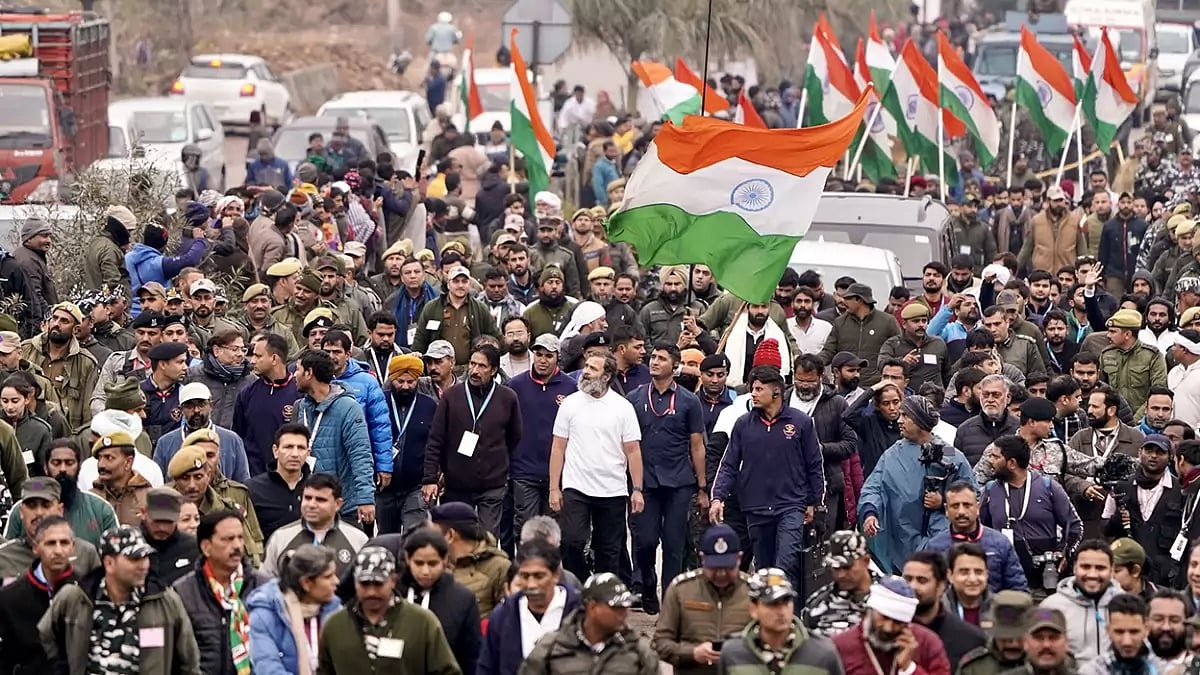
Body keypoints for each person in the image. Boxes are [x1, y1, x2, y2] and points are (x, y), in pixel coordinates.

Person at [710, 365, 824, 591]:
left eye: (759, 389)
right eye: (753, 388)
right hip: (755, 507)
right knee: (764, 568)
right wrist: (717, 498)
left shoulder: (801, 422)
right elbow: (729, 464)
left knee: (786, 563)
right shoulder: (743, 424)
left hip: (791, 506)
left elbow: (814, 464)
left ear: (776, 393)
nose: (753, 393)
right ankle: (765, 619)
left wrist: (814, 502)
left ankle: (789, 617)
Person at [38, 524, 201, 674]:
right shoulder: (77, 597)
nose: (144, 565)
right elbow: (45, 634)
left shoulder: (165, 600)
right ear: (109, 563)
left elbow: (189, 662)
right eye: (134, 558)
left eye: (146, 557)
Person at [549, 352, 644, 581]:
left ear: (607, 375)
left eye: (593, 368)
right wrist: (554, 487)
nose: (586, 371)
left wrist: (638, 490)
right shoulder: (570, 403)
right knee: (571, 541)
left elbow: (633, 451)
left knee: (609, 550)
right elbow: (558, 447)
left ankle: (602, 600)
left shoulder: (623, 407)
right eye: (586, 366)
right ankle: (578, 589)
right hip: (576, 487)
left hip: (612, 489)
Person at [629, 343, 707, 613]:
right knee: (646, 540)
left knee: (674, 543)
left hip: (678, 482)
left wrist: (702, 486)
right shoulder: (635, 397)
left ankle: (672, 601)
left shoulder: (688, 400)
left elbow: (697, 445)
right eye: (653, 357)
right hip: (646, 483)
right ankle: (647, 583)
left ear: (674, 366)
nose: (654, 362)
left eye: (662, 359)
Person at [859, 395, 975, 574]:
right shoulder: (893, 454)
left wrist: (943, 501)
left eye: (906, 416)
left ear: (920, 422)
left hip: (941, 538)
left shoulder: (947, 451)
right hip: (901, 537)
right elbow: (874, 487)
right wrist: (870, 512)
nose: (900, 420)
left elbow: (971, 493)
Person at [422, 344, 522, 533]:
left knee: (487, 539)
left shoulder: (507, 398)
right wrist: (430, 478)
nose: (475, 371)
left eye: (482, 366)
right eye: (472, 364)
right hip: (456, 483)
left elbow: (514, 436)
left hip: (493, 484)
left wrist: (498, 461)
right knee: (456, 537)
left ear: (493, 370)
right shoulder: (452, 396)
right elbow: (436, 439)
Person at [318, 544, 460, 674]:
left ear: (393, 581)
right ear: (355, 582)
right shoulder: (335, 626)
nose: (371, 592)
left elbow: (448, 672)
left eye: (378, 584)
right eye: (365, 584)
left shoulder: (422, 622)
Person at [979, 435, 1082, 596]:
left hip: (1046, 579)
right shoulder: (990, 490)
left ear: (1012, 463)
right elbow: (981, 530)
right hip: (1005, 579)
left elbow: (1075, 525)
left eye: (995, 456)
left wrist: (1065, 552)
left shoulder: (1048, 487)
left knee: (1044, 619)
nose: (990, 461)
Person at [172, 509, 264, 675]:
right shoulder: (183, 593)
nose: (237, 546)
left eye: (240, 538)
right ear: (206, 547)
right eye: (228, 539)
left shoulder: (263, 587)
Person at [652, 524, 751, 675]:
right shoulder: (681, 590)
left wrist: (738, 653)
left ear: (739, 559)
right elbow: (660, 643)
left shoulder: (753, 592)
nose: (721, 573)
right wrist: (692, 653)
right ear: (702, 558)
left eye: (727, 567)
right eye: (715, 567)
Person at [290, 350, 375, 525]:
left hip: (343, 507)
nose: (293, 375)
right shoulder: (300, 407)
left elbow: (361, 455)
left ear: (309, 373)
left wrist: (365, 498)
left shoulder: (349, 408)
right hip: (307, 504)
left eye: (297, 370)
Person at [519, 572, 659, 675]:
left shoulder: (638, 650)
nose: (624, 614)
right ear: (592, 607)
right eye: (615, 608)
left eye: (625, 607)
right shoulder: (551, 647)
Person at [508, 334, 575, 538]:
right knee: (525, 528)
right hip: (524, 471)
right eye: (538, 354)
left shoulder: (570, 387)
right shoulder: (515, 385)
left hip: (557, 473)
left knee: (553, 531)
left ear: (558, 358)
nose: (542, 360)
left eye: (548, 355)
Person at [480, 537, 579, 675]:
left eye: (539, 576)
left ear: (556, 575)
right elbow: (487, 668)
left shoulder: (579, 612)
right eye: (524, 576)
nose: (531, 585)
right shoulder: (503, 616)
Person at [717, 567, 844, 675]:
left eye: (786, 601)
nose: (781, 611)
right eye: (772, 604)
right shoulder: (733, 653)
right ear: (753, 609)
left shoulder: (822, 653)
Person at [394, 527, 481, 675]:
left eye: (432, 564)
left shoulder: (462, 600)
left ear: (444, 560)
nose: (425, 571)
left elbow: (471, 656)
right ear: (408, 559)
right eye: (419, 563)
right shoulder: (393, 593)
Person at [246, 544, 342, 675]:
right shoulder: (264, 614)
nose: (336, 581)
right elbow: (267, 667)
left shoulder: (335, 610)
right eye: (328, 576)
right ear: (306, 583)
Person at [3, 437, 117, 548]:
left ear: (79, 467)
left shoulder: (100, 509)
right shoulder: (22, 509)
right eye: (56, 463)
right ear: (46, 468)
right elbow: (7, 555)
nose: (63, 469)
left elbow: (115, 558)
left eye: (69, 463)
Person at [0, 514, 77, 675]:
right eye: (50, 543)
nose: (58, 550)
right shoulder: (10, 598)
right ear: (36, 547)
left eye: (64, 543)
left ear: (73, 547)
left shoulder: (88, 592)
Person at [923, 480, 1029, 592]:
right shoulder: (935, 547)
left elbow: (1018, 589)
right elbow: (929, 591)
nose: (961, 512)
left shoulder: (1000, 543)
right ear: (946, 510)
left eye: (967, 505)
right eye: (955, 506)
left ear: (978, 507)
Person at [832, 577, 951, 675]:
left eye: (898, 622)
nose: (888, 628)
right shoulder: (839, 646)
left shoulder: (927, 643)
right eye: (884, 617)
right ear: (871, 610)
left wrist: (909, 668)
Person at [261, 473, 369, 579]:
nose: (311, 505)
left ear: (338, 504)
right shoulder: (280, 538)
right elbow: (265, 585)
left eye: (320, 500)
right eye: (307, 498)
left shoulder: (357, 540)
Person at [1039, 539, 1123, 668]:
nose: (1092, 574)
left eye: (1100, 568)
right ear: (1074, 568)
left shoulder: (1126, 605)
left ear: (1112, 570)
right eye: (1085, 567)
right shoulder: (1051, 607)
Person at [903, 550, 988, 672]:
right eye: (908, 579)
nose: (912, 587)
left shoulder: (971, 640)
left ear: (941, 586)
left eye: (922, 580)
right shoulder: (886, 631)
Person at [21, 302, 99, 430]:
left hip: (64, 434)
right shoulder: (27, 349)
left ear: (75, 329)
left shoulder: (86, 363)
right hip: (28, 430)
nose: (57, 324)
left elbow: (88, 412)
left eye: (64, 321)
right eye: (54, 318)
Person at [152, 382, 251, 483]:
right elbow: (158, 485)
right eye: (189, 406)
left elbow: (242, 483)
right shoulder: (165, 443)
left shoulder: (231, 440)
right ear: (181, 409)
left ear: (211, 405)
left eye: (201, 404)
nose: (196, 410)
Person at [429, 502, 510, 617]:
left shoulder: (499, 567)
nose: (429, 540)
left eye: (433, 534)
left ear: (450, 535)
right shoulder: (434, 565)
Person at [235, 332, 299, 475]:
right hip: (254, 478)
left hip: (289, 477)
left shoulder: (299, 393)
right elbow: (239, 435)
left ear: (274, 358)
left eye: (258, 356)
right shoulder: (247, 394)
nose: (252, 361)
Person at [802, 530, 878, 637]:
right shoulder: (817, 604)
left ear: (866, 561)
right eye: (835, 568)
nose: (840, 575)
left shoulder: (891, 595)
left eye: (847, 567)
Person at [245, 423, 312, 542]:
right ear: (276, 451)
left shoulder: (318, 489)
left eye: (301, 448)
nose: (295, 454)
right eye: (288, 447)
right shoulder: (252, 489)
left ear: (308, 452)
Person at [1079, 593, 1164, 675]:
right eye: (1119, 632)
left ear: (1147, 629)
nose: (1127, 641)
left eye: (1134, 632)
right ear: (1108, 631)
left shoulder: (1164, 670)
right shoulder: (1090, 672)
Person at [958, 590, 1035, 675]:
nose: (1013, 644)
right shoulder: (973, 667)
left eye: (1019, 637)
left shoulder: (1045, 664)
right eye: (1005, 637)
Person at [90, 430, 153, 526]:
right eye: (99, 458)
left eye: (109, 458)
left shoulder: (147, 498)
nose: (101, 465)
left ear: (128, 462)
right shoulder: (91, 498)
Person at [142, 486, 199, 586]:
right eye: (157, 521)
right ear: (144, 513)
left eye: (168, 522)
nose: (162, 528)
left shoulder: (194, 549)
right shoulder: (130, 547)